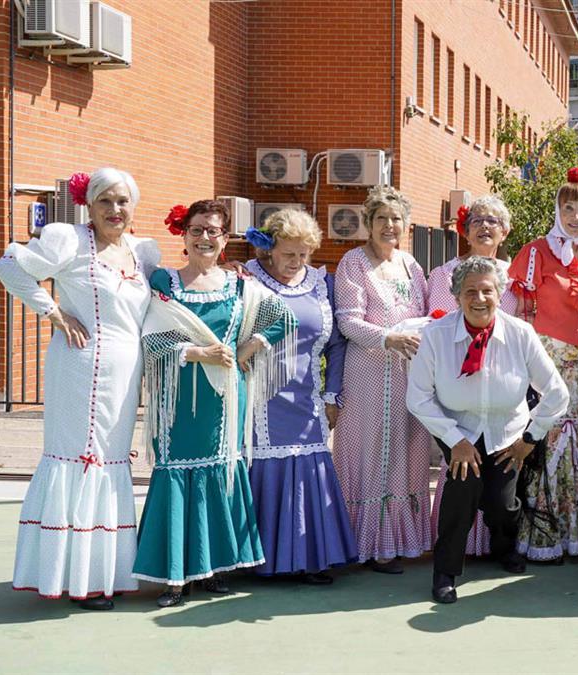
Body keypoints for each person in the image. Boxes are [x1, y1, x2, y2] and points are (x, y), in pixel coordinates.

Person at [0, 169, 159, 610]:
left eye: (123, 201)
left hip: (126, 379)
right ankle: (77, 579)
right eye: (105, 200)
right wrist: (53, 313)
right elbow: (8, 266)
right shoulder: (67, 240)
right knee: (80, 460)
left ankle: (102, 572)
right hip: (79, 369)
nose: (115, 210)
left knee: (112, 461)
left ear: (134, 205)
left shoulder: (142, 252)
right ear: (89, 204)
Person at [134, 199, 297, 607]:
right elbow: (152, 338)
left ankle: (216, 568)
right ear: (184, 235)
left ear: (225, 239)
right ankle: (175, 577)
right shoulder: (163, 283)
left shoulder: (239, 285)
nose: (205, 237)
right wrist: (197, 352)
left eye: (213, 231)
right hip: (178, 395)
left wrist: (249, 347)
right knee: (175, 470)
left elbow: (283, 318)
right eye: (197, 230)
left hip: (225, 395)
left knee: (222, 469)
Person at [407, 256, 569, 603]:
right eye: (470, 292)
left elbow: (557, 392)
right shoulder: (435, 335)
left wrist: (529, 439)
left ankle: (504, 547)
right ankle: (445, 571)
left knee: (501, 504)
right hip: (457, 426)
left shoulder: (520, 333)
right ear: (456, 297)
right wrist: (455, 442)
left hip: (508, 430)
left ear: (500, 293)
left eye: (487, 291)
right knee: (462, 489)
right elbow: (417, 398)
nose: (479, 299)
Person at [508, 166, 578, 562]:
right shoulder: (536, 251)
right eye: (569, 207)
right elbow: (514, 308)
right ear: (558, 210)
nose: (576, 216)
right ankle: (545, 533)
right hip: (547, 356)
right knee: (548, 432)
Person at [242, 209, 357, 583]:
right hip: (257, 397)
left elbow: (337, 344)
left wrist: (331, 394)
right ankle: (260, 559)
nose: (296, 262)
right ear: (270, 250)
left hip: (307, 398)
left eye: (303, 254)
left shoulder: (323, 284)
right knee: (263, 467)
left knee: (309, 468)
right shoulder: (247, 277)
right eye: (289, 254)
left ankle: (309, 558)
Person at [334, 185, 431, 574]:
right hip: (368, 371)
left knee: (408, 447)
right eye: (381, 219)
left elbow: (426, 312)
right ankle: (369, 545)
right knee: (370, 449)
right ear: (368, 223)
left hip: (409, 371)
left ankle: (403, 540)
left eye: (396, 219)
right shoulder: (353, 263)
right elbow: (347, 320)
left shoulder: (411, 265)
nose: (389, 226)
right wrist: (388, 337)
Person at [427, 195, 518, 559]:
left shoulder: (515, 279)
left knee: (501, 482)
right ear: (465, 230)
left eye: (493, 220)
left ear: (505, 231)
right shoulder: (441, 275)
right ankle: (453, 554)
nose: (485, 226)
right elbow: (432, 327)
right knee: (461, 477)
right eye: (477, 219)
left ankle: (499, 547)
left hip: (499, 393)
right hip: (456, 391)